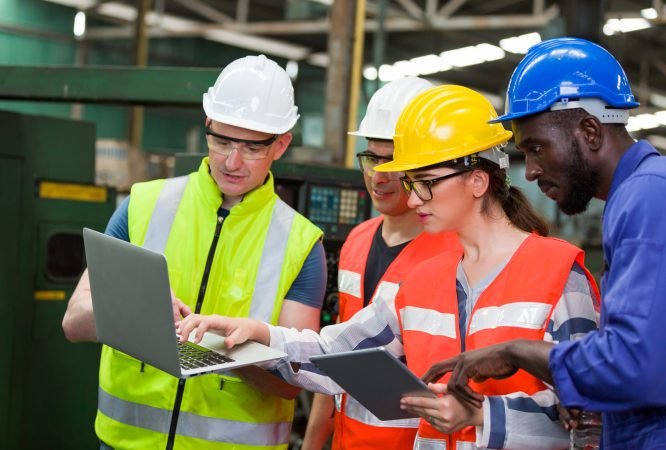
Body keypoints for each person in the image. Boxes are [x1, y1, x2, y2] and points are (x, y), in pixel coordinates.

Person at [177, 85, 601, 450]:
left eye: (424, 183)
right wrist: (258, 334)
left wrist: (480, 416)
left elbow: (591, 413)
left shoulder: (560, 276)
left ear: (477, 180)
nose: (412, 198)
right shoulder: (416, 280)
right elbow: (335, 356)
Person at [62, 54, 326, 450]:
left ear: (281, 144)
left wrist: (223, 348)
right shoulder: (143, 205)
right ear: (207, 126)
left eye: (251, 147)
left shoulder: (301, 244)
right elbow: (74, 322)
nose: (231, 161)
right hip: (126, 443)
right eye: (221, 141)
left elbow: (292, 383)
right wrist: (135, 314)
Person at [421, 37, 666, 450]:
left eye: (536, 148)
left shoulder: (647, 197)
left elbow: (636, 365)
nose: (530, 172)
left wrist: (520, 352)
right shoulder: (636, 195)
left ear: (589, 130)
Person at [301, 77, 460, 450]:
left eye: (394, 160)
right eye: (372, 158)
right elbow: (335, 355)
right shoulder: (357, 240)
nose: (379, 175)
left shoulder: (453, 254)